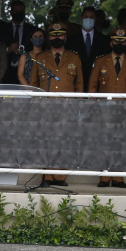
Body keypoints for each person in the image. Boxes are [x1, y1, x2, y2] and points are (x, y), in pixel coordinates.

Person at [29, 23, 84, 186]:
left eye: (60, 35)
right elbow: (33, 85)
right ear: (49, 38)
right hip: (46, 109)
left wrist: (78, 108)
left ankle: (60, 176)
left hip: (67, 109)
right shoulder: (40, 58)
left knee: (64, 142)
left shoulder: (74, 57)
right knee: (46, 141)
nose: (57, 38)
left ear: (65, 38)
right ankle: (46, 175)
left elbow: (79, 85)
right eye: (53, 35)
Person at [88, 29, 126, 188]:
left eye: (123, 42)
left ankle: (118, 178)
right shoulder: (100, 61)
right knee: (104, 143)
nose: (120, 44)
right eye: (116, 41)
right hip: (104, 110)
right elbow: (92, 87)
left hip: (125, 111)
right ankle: (104, 177)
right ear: (111, 43)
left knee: (122, 143)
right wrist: (96, 107)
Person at [67, 6, 110, 85]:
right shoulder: (71, 40)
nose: (88, 19)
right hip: (76, 81)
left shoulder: (104, 40)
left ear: (95, 19)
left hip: (98, 82)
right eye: (86, 17)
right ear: (82, 18)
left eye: (91, 17)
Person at [2, 0, 38, 84]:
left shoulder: (31, 29)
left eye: (21, 11)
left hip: (27, 72)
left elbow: (35, 49)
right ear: (11, 12)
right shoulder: (2, 29)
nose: (19, 13)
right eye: (16, 11)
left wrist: (24, 52)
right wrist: (9, 49)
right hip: (6, 72)